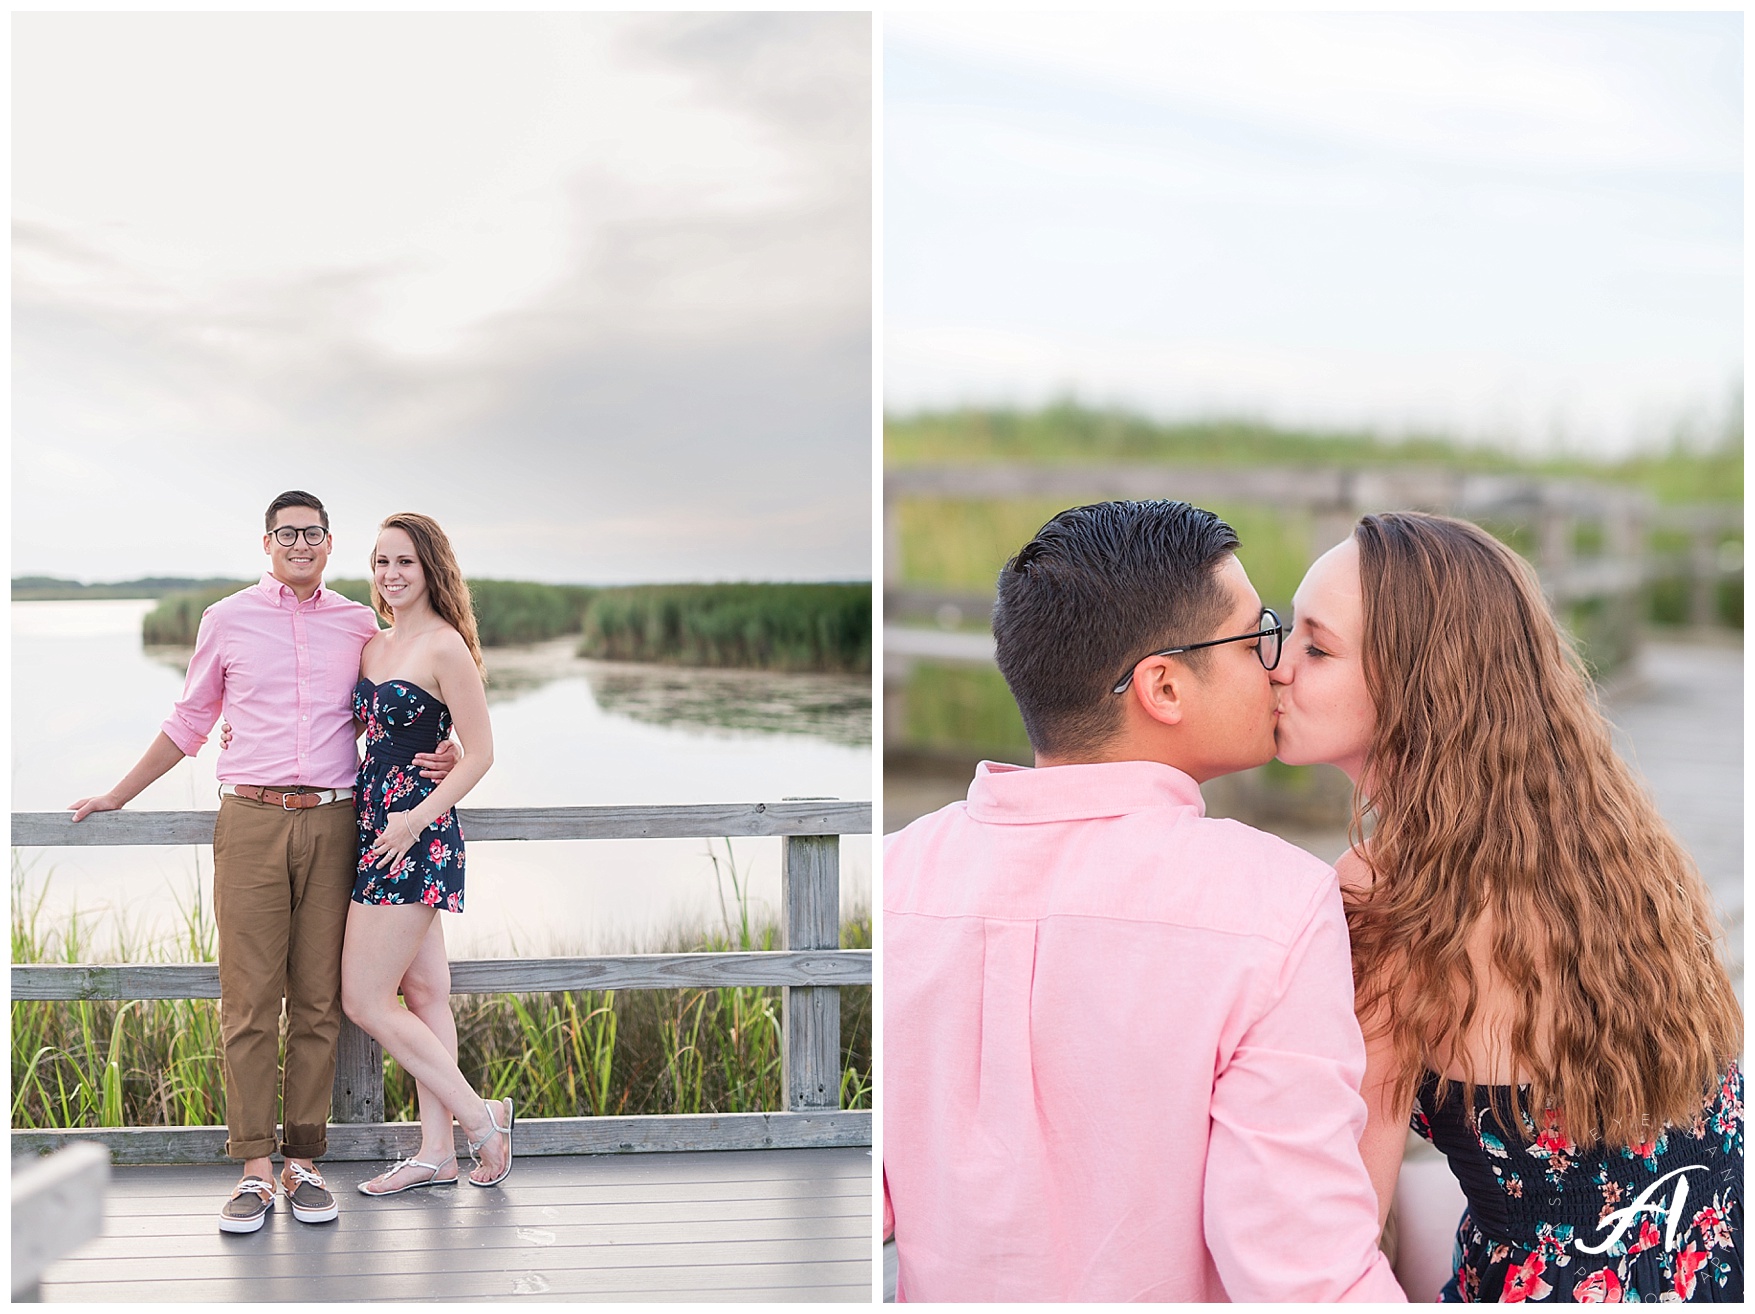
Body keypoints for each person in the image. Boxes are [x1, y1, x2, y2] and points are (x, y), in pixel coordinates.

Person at [882, 499, 1406, 1302]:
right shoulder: (1276, 905)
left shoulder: (893, 878)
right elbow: (1301, 1272)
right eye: (1255, 636)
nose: (1276, 664)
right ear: (1162, 685)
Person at [1270, 511, 1743, 1302]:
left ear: (1416, 683)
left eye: (1315, 649)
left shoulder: (1388, 892)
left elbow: (1345, 1213)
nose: (1274, 668)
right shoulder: (1613, 836)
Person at [69, 491, 454, 1234]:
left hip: (337, 821)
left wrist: (453, 752)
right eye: (288, 534)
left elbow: (408, 701)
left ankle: (303, 1164)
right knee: (248, 1003)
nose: (300, 544)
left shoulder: (358, 625)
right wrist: (118, 791)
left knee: (317, 1002)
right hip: (249, 817)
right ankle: (252, 1170)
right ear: (268, 541)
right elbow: (188, 722)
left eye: (312, 534)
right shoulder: (227, 619)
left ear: (329, 542)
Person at [342, 512, 512, 1194]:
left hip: (412, 837)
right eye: (382, 561)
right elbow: (357, 727)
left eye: (405, 562)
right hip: (371, 827)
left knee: (363, 998)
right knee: (425, 993)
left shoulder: (444, 647)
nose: (391, 574)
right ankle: (435, 1153)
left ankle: (480, 1123)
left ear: (430, 568)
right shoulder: (372, 645)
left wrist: (412, 820)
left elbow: (482, 754)